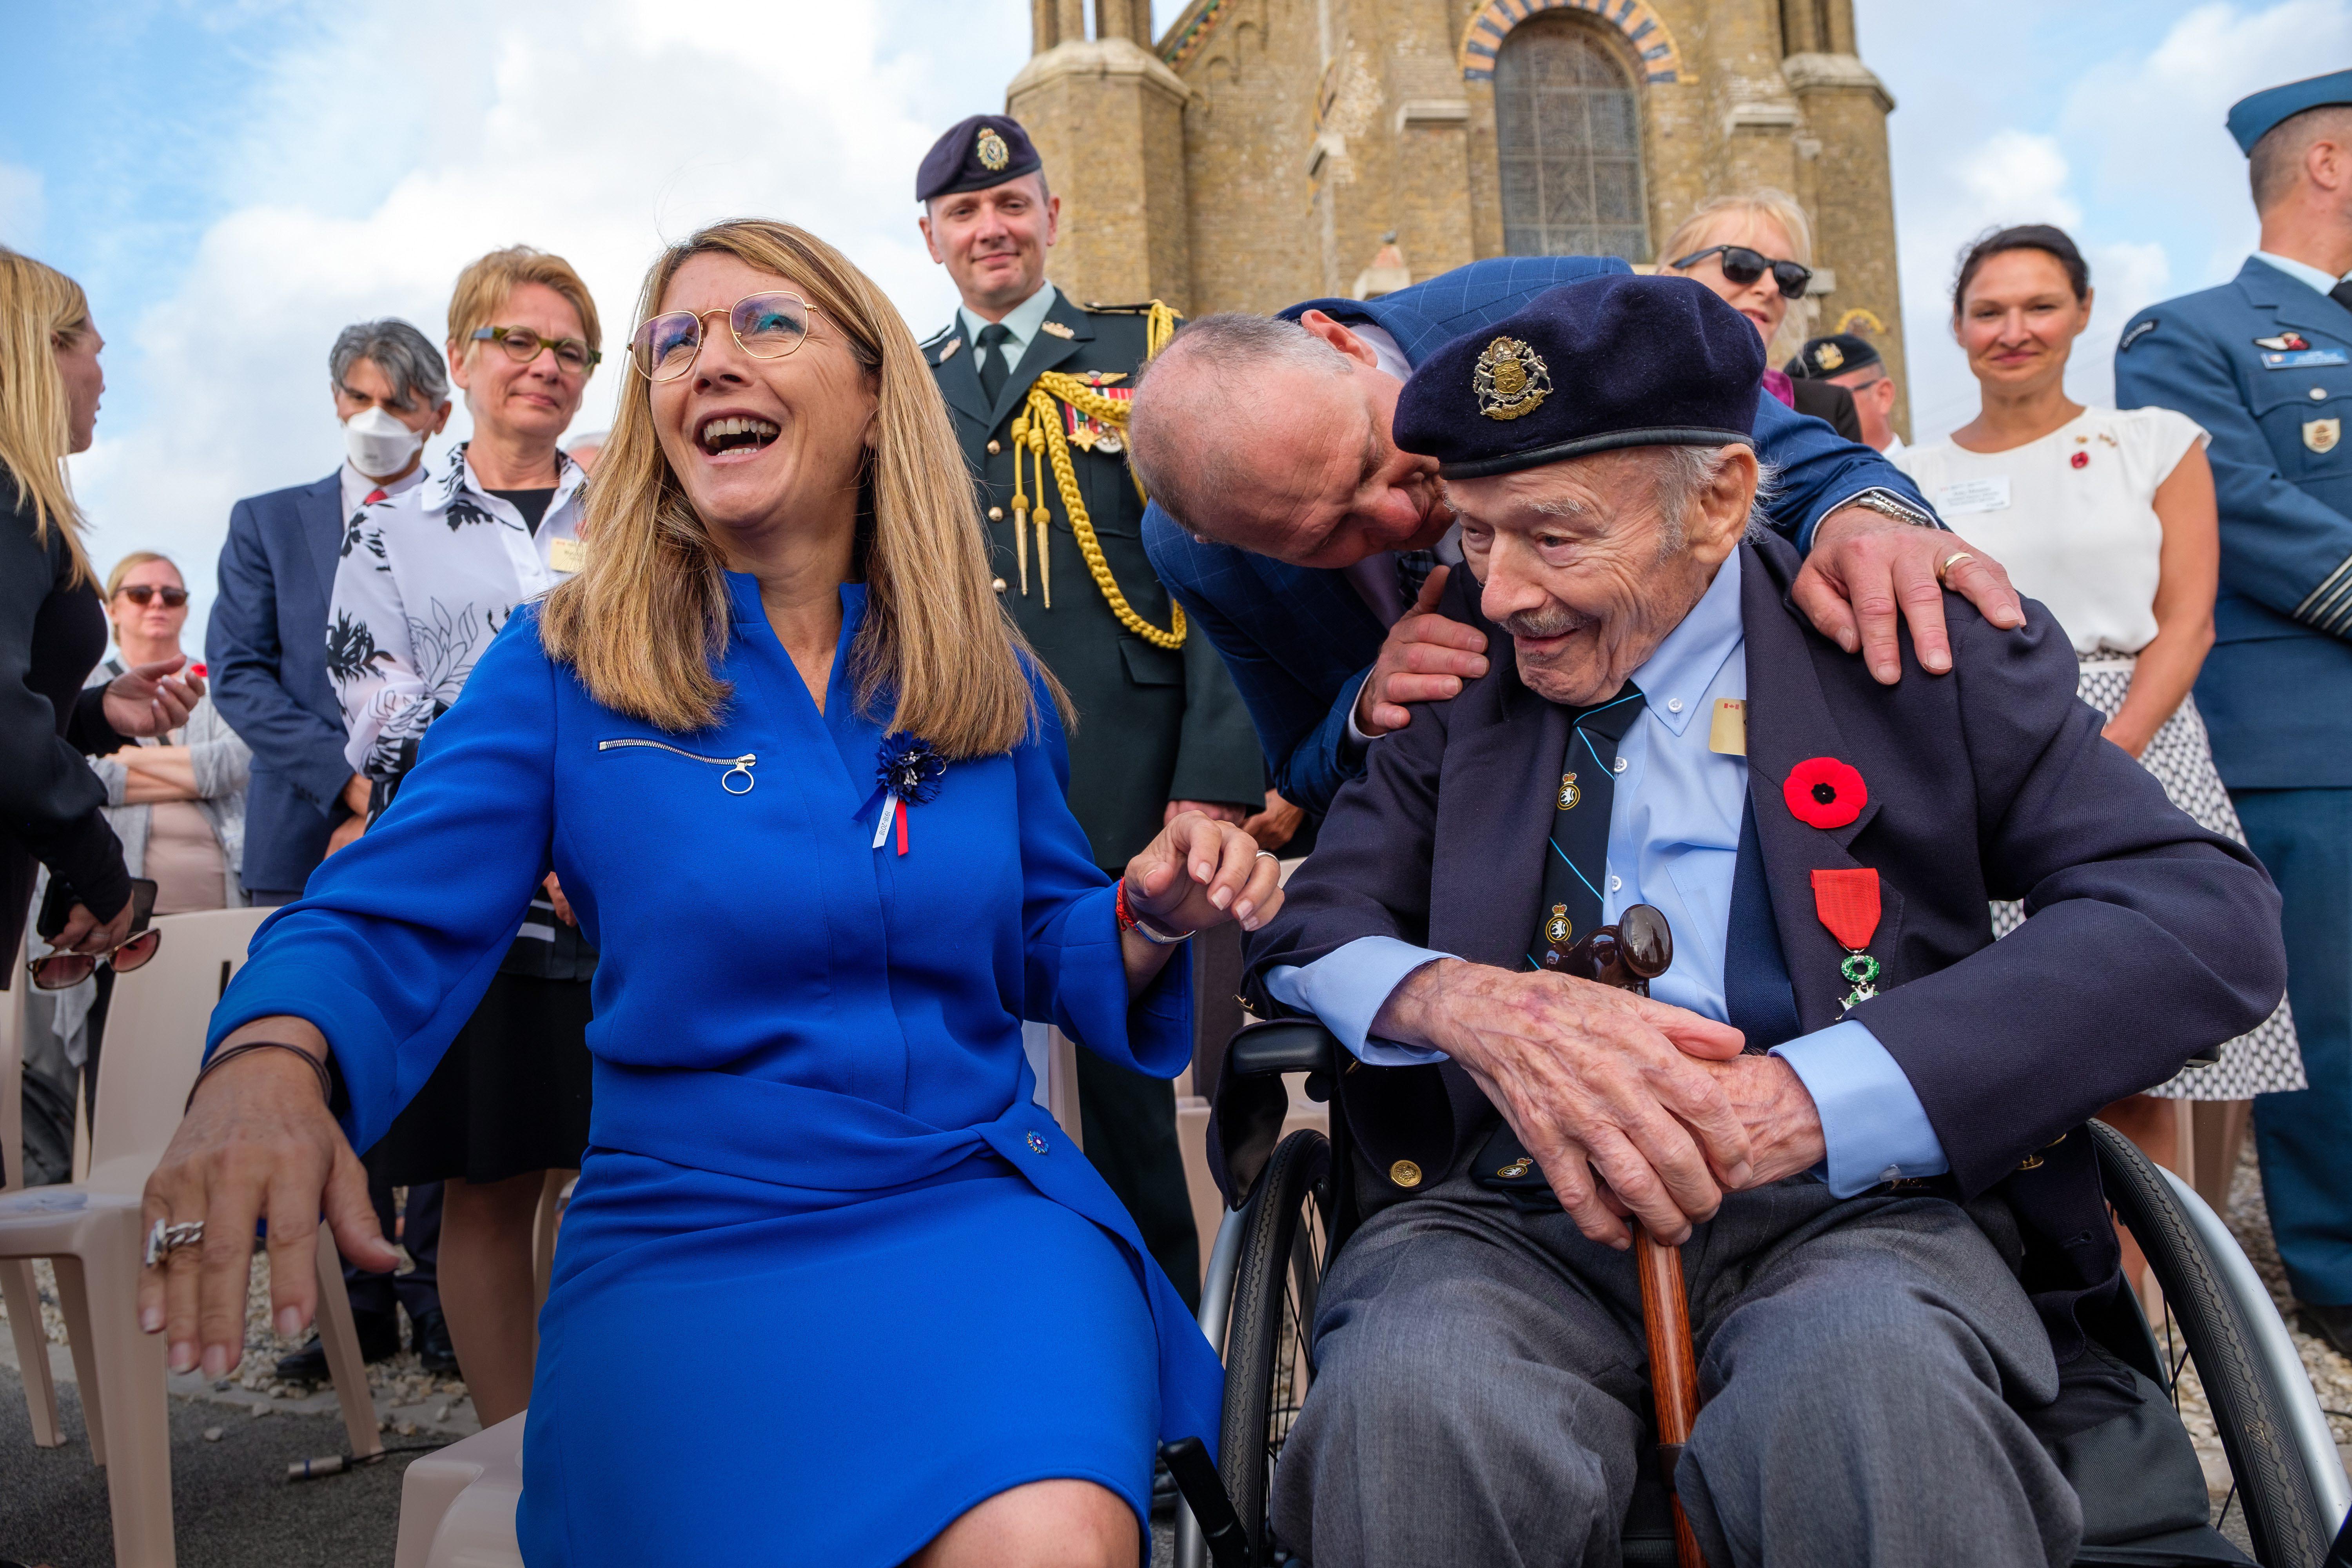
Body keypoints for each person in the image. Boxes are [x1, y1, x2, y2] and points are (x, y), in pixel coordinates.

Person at [139, 216, 1276, 1566]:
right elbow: (385, 904)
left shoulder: (984, 673)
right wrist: (268, 1058)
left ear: (871, 397)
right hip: (691, 1236)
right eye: (675, 344)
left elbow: (1043, 938)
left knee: (1048, 1540)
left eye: (765, 326)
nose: (707, 364)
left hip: (970, 1212)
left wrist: (1146, 913)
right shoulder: (563, 661)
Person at [1241, 275, 2286, 1566]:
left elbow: (2198, 918)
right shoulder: (1458, 673)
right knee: (1409, 1407)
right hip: (1504, 1216)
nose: (1500, 591)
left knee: (1870, 1404)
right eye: (1472, 536)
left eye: (1553, 538)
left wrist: (1809, 1100)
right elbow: (1312, 928)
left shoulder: (1909, 653)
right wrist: (1464, 1001)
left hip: (1859, 1211)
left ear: (1726, 498)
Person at [1129, 261, 2024, 822]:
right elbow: (1302, 769)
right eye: (1332, 534)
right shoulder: (1193, 550)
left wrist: (1871, 520)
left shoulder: (1547, 308)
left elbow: (1792, 460)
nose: (1403, 519)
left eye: (1376, 454)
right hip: (1478, 862)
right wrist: (1370, 700)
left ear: (1340, 345)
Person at [916, 114, 1267, 1301]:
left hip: (1129, 758)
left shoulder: (1146, 351)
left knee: (1123, 1073)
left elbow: (1219, 556)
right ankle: (1009, 1331)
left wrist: (1216, 767)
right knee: (965, 1053)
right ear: (932, 238)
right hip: (957, 757)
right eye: (964, 213)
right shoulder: (901, 391)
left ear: (1052, 218)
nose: (990, 227)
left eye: (1011, 204)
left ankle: (1168, 1385)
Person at [1896, 223, 2301, 1215]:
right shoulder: (1906, 470)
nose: (2013, 330)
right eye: (1988, 311)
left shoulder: (2153, 442)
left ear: (2080, 313)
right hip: (1971, 756)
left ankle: (2149, 1328)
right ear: (1956, 328)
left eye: (2038, 305)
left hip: (2138, 738)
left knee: (2131, 1053)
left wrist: (2097, 755)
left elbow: (2187, 620)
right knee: (1983, 1059)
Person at [326, 247, 599, 1425]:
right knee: (489, 1186)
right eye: (518, 342)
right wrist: (517, 825)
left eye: (570, 350)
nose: (545, 366)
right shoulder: (386, 534)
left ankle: (607, 1430)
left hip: (620, 893)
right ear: (462, 361)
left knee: (605, 1174)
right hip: (478, 900)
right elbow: (378, 713)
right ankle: (509, 1452)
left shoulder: (638, 514)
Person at [2112, 69, 2352, 1361]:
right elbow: (2245, 509)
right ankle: (2342, 1266)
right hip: (2313, 734)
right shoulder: (2189, 333)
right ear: (2328, 161)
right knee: (2341, 1010)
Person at [208, 316, 453, 1380]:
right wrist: (353, 780)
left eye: (402, 405)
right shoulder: (270, 523)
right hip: (307, 831)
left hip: (443, 831)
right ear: (334, 399)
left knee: (446, 1052)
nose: (379, 421)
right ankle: (350, 1313)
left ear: (439, 417)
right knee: (316, 1058)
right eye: (361, 396)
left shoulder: (469, 531)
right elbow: (242, 676)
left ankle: (439, 1294)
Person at [2, 246, 198, 1002]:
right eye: (94, 350)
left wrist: (88, 716)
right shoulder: (8, 497)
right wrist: (101, 871)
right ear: (43, 348)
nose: (104, 378)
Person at [27, 552, 253, 1158]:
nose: (158, 604)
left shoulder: (215, 686)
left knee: (205, 1075)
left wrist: (116, 762)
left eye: (173, 596)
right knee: (121, 1083)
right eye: (141, 593)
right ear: (111, 608)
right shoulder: (77, 688)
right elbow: (57, 765)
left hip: (215, 921)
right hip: (112, 924)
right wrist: (182, 772)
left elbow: (234, 764)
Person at [1659, 190, 1862, 441]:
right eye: (1742, 264)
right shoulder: (1616, 394)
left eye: (1788, 276)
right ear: (1669, 281)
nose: (1771, 288)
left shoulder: (1827, 412)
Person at [1789, 331, 1903, 453]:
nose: (1818, 415)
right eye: (1804, 406)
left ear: (1883, 396)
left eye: (1836, 399)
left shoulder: (1922, 468)